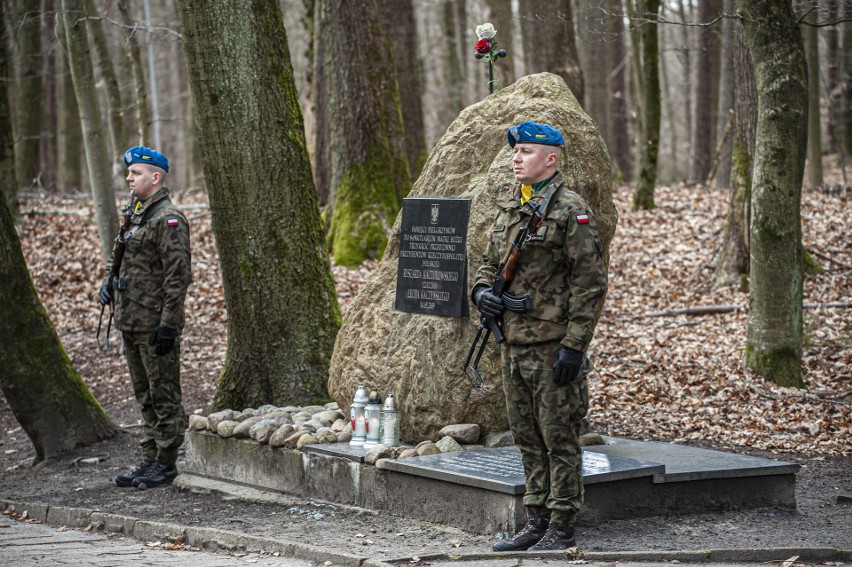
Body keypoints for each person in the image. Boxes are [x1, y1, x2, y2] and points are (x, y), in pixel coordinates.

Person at [472, 121, 608, 551]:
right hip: (512, 343)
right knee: (526, 435)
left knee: (559, 437)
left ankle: (563, 524)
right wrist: (482, 295)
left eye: (526, 151)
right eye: (516, 151)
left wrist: (574, 346)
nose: (517, 158)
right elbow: (487, 266)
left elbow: (590, 285)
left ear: (551, 159)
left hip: (552, 346)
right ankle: (536, 518)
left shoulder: (571, 210)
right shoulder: (512, 208)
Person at [99, 146, 192, 490]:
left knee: (163, 393)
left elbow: (177, 276)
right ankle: (150, 455)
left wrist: (169, 323)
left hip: (155, 324)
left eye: (135, 173)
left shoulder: (168, 219)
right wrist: (108, 284)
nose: (128, 178)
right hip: (130, 320)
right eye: (129, 173)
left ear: (155, 177)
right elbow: (118, 255)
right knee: (144, 394)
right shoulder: (135, 213)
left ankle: (166, 462)